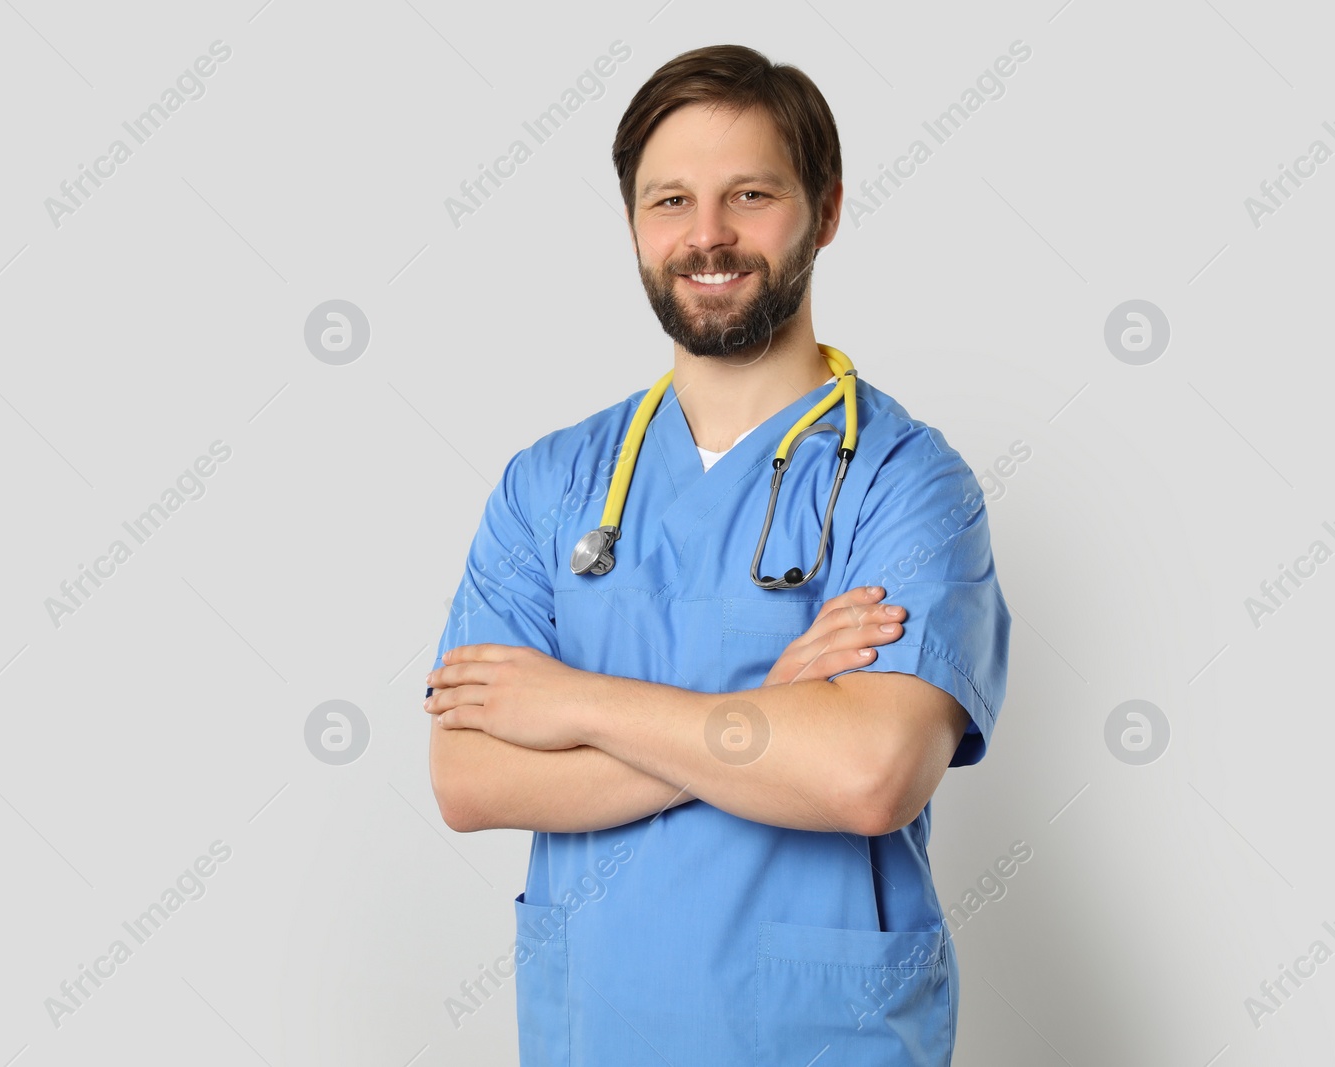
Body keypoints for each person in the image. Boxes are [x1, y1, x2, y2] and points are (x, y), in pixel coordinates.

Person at [423, 43, 1011, 1066]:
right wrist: (766, 709)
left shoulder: (903, 481)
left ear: (823, 212)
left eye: (749, 194)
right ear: (631, 224)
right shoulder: (550, 484)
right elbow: (469, 777)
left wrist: (572, 702)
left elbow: (869, 774)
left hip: (819, 1036)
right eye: (669, 201)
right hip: (593, 1028)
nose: (707, 236)